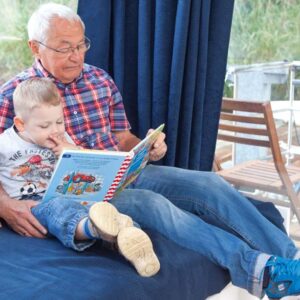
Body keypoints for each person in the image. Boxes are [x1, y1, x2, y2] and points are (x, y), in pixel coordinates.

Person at [0, 2, 300, 298]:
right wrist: (5, 206)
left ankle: (289, 263)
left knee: (208, 182)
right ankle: (258, 271)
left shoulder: (99, 79)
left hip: (122, 169)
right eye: (64, 48)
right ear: (35, 47)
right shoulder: (14, 96)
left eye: (81, 45)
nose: (76, 56)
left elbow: (121, 137)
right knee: (154, 205)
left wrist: (146, 148)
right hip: (82, 190)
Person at [0, 77, 160, 277]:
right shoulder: (5, 144)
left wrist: (72, 150)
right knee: (60, 209)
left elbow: (80, 168)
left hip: (68, 193)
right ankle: (93, 227)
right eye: (45, 126)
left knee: (102, 207)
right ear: (20, 124)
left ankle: (132, 241)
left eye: (59, 121)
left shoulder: (62, 137)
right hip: (33, 204)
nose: (56, 130)